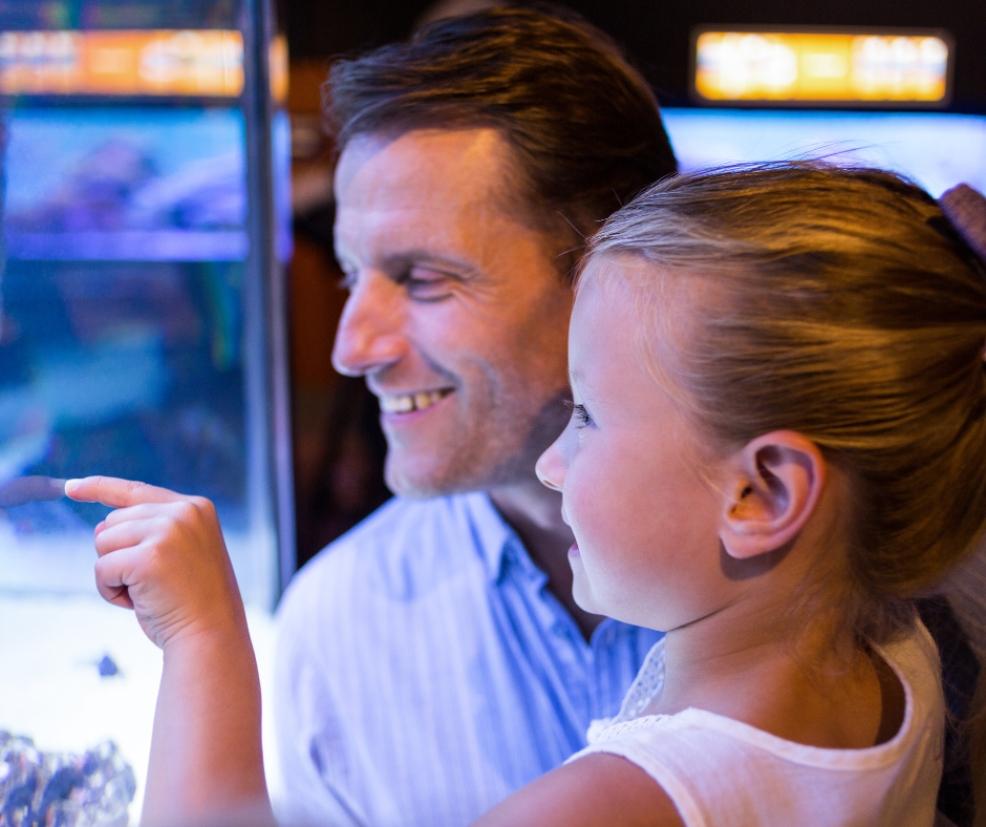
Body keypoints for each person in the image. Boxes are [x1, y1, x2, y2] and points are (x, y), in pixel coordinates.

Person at [67, 162, 986, 825]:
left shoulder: (612, 805)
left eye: (585, 414)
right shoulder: (895, 647)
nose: (553, 463)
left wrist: (204, 638)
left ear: (761, 494)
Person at [278, 6, 676, 824]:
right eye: (353, 276)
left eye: (423, 278)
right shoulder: (335, 632)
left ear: (615, 270)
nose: (352, 349)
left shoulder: (849, 569)